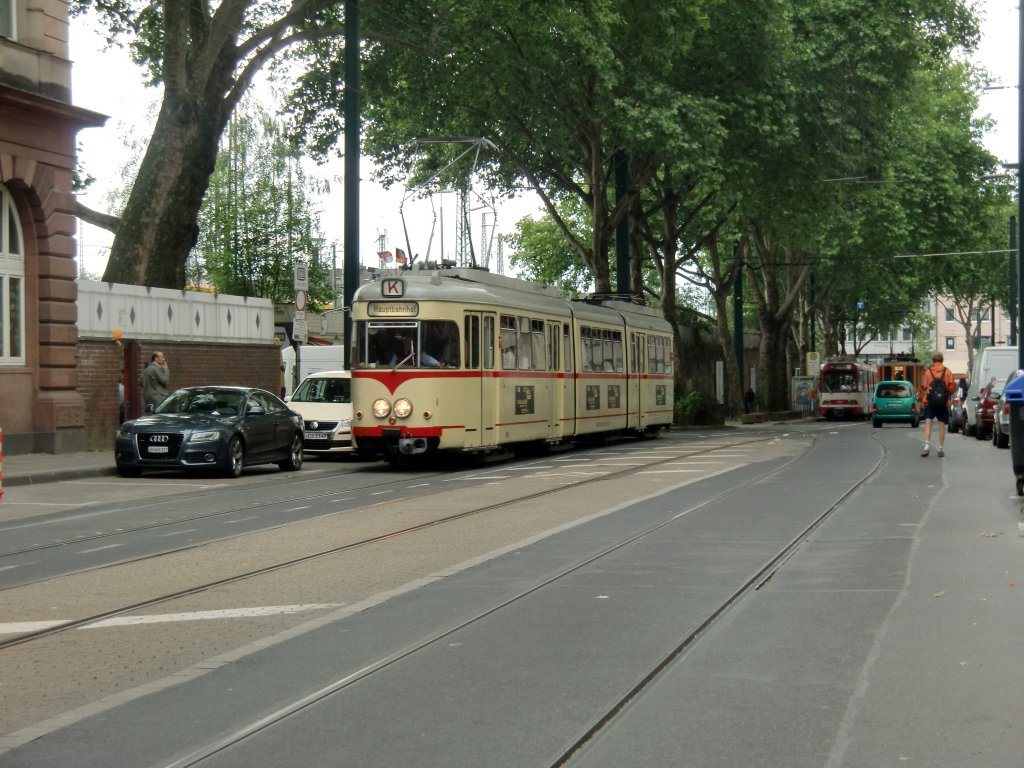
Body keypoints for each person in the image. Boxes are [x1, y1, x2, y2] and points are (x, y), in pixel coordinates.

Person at [920, 351, 954, 458]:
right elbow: (951, 387)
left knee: (928, 422)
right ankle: (940, 449)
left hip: (931, 402)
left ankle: (926, 447)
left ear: (933, 360)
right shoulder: (947, 371)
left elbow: (925, 386)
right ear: (942, 360)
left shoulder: (928, 372)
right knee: (941, 425)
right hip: (942, 403)